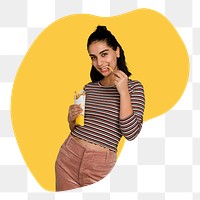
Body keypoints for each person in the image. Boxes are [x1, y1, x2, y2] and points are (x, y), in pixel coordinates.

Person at [55, 25, 145, 191]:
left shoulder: (134, 88)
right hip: (68, 156)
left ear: (117, 51)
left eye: (104, 54)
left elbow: (131, 133)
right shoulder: (89, 88)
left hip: (99, 167)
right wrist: (71, 121)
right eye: (93, 57)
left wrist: (123, 92)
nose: (99, 63)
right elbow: (78, 127)